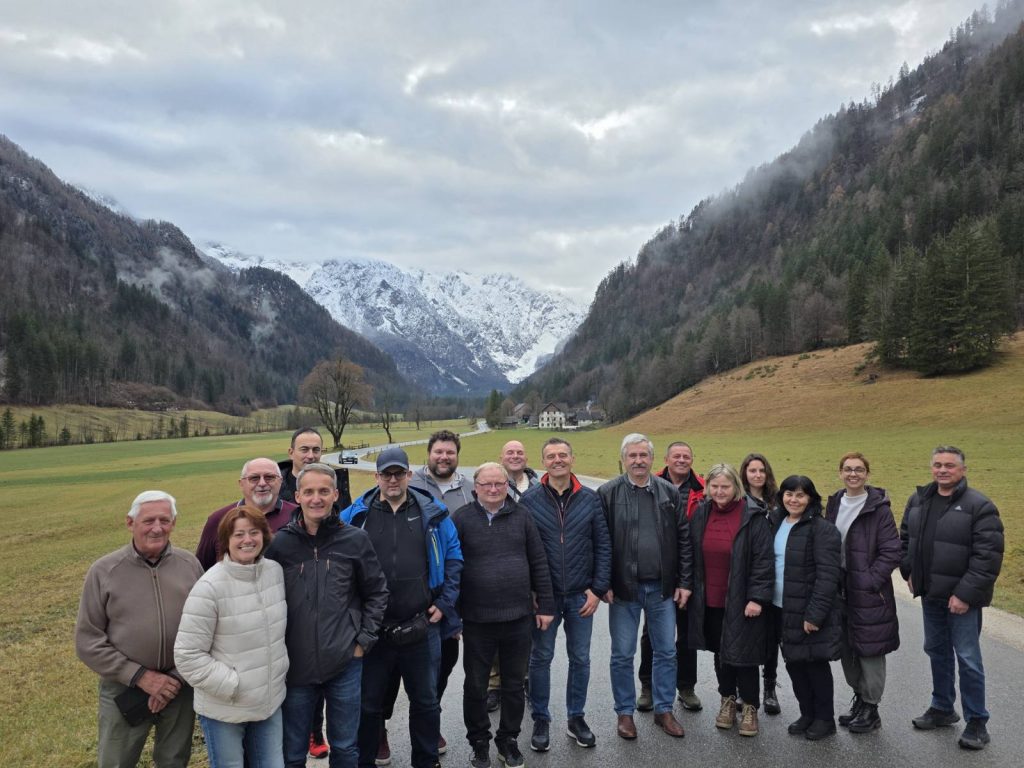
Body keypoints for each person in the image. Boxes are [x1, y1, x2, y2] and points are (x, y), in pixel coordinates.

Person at [341, 447, 463, 768]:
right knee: (369, 705)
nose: (393, 479)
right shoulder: (355, 516)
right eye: (386, 474)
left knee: (425, 702)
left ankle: (426, 761)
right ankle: (364, 761)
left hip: (421, 625)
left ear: (409, 475)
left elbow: (454, 557)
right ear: (376, 477)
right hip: (373, 630)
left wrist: (445, 603)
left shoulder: (433, 513)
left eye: (399, 473)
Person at [265, 463, 389, 768]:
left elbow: (377, 592)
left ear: (335, 494)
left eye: (324, 491)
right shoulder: (280, 544)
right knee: (292, 751)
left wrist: (363, 641)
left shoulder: (355, 540)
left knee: (345, 747)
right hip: (295, 666)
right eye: (308, 492)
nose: (316, 498)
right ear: (297, 496)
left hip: (345, 662)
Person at [75, 490, 203, 768]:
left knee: (174, 760)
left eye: (164, 520)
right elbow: (88, 641)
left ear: (173, 523)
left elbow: (206, 628)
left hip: (179, 688)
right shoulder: (104, 571)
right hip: (124, 688)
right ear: (130, 523)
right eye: (148, 521)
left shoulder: (189, 565)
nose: (157, 528)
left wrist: (176, 679)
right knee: (116, 761)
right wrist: (141, 677)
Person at [899, 445, 1004, 751]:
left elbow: (988, 557)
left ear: (963, 470)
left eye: (949, 465)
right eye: (937, 465)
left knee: (968, 658)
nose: (942, 470)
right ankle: (942, 707)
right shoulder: (918, 500)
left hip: (961, 601)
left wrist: (964, 594)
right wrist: (909, 571)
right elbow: (906, 538)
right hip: (930, 595)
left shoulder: (980, 505)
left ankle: (977, 721)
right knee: (936, 651)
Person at [453, 462, 555, 768]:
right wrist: (453, 614)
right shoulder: (461, 519)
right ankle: (479, 742)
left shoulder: (522, 516)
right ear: (476, 488)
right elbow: (452, 568)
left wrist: (546, 605)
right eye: (487, 484)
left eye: (499, 483)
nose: (494, 489)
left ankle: (508, 740)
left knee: (513, 685)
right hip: (477, 620)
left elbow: (538, 561)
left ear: (507, 486)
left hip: (518, 618)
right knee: (475, 686)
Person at [175, 506, 289, 768]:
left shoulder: (274, 572)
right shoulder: (209, 587)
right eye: (238, 534)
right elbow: (187, 655)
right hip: (225, 708)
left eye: (254, 532)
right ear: (226, 540)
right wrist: (233, 685)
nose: (247, 540)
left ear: (265, 536)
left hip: (269, 703)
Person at [598, 433, 692, 740]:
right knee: (622, 655)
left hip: (661, 589)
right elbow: (599, 542)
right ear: (623, 459)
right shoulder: (608, 493)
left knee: (666, 651)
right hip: (623, 590)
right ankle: (625, 713)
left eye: (643, 455)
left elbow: (683, 539)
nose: (638, 461)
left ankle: (664, 710)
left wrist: (684, 582)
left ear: (652, 459)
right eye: (632, 456)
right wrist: (603, 582)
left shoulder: (668, 492)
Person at [521, 438, 611, 751]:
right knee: (540, 657)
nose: (557, 460)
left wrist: (597, 589)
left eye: (562, 455)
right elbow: (523, 550)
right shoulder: (529, 501)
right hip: (545, 598)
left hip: (580, 596)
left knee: (580, 658)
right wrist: (532, 591)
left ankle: (576, 718)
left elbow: (603, 545)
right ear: (543, 461)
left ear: (572, 459)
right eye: (551, 456)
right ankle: (541, 718)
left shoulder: (591, 498)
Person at [277, 428, 351, 759]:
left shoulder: (335, 486)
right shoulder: (274, 488)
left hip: (333, 621)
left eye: (316, 450)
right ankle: (306, 734)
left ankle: (315, 733)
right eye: (304, 449)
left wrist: (360, 635)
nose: (310, 455)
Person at [688, 464, 773, 737]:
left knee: (744, 656)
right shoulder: (702, 513)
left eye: (725, 486)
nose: (719, 491)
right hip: (711, 600)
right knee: (722, 654)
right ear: (708, 488)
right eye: (714, 486)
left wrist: (757, 598)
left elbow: (763, 561)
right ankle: (727, 700)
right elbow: (690, 552)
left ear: (736, 487)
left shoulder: (752, 516)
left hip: (743, 600)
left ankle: (750, 707)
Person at [405, 428, 475, 760]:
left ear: (457, 455)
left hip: (456, 592)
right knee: (398, 671)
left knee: (444, 663)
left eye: (450, 452)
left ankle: (429, 722)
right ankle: (382, 729)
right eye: (438, 452)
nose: (444, 457)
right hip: (418, 593)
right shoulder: (411, 485)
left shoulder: (471, 489)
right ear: (428, 454)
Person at [824, 452, 901, 734]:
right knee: (847, 646)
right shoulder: (835, 503)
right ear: (840, 473)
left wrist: (869, 580)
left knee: (870, 649)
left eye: (858, 469)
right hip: (840, 587)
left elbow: (891, 551)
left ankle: (871, 706)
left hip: (868, 591)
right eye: (848, 469)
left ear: (867, 474)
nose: (853, 474)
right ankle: (859, 698)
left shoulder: (878, 508)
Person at [770, 475, 842, 741]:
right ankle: (807, 713)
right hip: (780, 608)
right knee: (794, 664)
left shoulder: (822, 529)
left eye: (800, 495)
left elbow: (828, 576)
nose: (793, 499)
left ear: (810, 498)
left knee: (814, 665)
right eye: (789, 494)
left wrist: (815, 614)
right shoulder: (776, 522)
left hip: (808, 611)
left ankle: (825, 719)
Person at [638, 440, 705, 713]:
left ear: (692, 460)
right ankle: (647, 686)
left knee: (687, 632)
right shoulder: (651, 485)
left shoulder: (702, 489)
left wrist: (688, 579)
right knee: (651, 633)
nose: (681, 460)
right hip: (659, 571)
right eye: (676, 456)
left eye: (686, 456)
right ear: (665, 459)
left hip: (691, 569)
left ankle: (686, 687)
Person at [195, 457, 298, 570]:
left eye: (269, 477)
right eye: (254, 478)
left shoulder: (298, 515)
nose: (262, 483)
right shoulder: (218, 519)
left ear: (280, 481)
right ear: (241, 484)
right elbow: (201, 569)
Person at [739, 452, 782, 715]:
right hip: (749, 576)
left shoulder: (778, 502)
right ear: (744, 474)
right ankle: (746, 689)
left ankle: (769, 688)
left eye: (761, 470)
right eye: (752, 470)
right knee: (750, 635)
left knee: (771, 637)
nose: (757, 475)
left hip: (775, 576)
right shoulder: (739, 501)